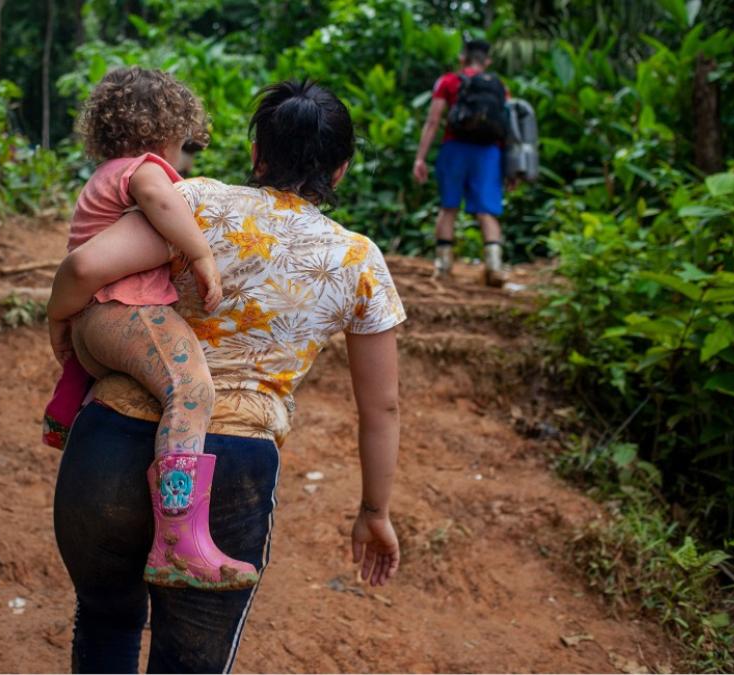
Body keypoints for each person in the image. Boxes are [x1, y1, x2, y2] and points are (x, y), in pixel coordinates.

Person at [49, 80, 406, 673]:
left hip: (109, 444)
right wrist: (374, 510)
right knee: (190, 663)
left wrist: (61, 326)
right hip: (233, 468)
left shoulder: (194, 200)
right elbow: (382, 408)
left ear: (258, 156)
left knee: (105, 621)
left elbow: (86, 269)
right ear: (340, 170)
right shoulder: (358, 261)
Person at [42, 66, 261, 592]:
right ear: (171, 127)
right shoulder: (144, 170)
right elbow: (162, 201)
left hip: (97, 323)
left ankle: (69, 417)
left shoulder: (104, 174)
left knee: (153, 386)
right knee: (190, 389)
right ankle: (178, 538)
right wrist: (201, 251)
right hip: (127, 311)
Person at [412, 38, 510, 286]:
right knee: (487, 212)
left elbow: (433, 121)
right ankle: (495, 267)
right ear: (487, 61)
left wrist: (420, 157)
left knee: (448, 208)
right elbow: (509, 129)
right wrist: (511, 168)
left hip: (454, 149)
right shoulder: (499, 86)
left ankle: (443, 267)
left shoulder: (448, 81)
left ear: (462, 58)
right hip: (489, 153)